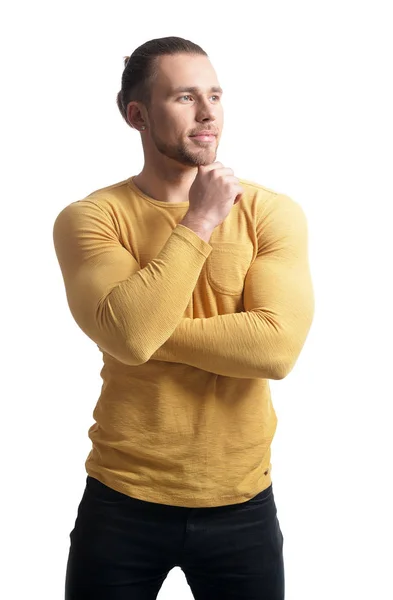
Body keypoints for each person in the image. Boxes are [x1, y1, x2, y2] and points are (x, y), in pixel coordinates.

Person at [53, 36, 315, 600]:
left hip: (242, 504)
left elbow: (276, 348)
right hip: (122, 500)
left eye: (215, 96)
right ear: (137, 114)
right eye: (185, 97)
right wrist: (198, 221)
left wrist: (139, 336)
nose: (207, 113)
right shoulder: (92, 218)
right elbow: (127, 333)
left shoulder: (270, 212)